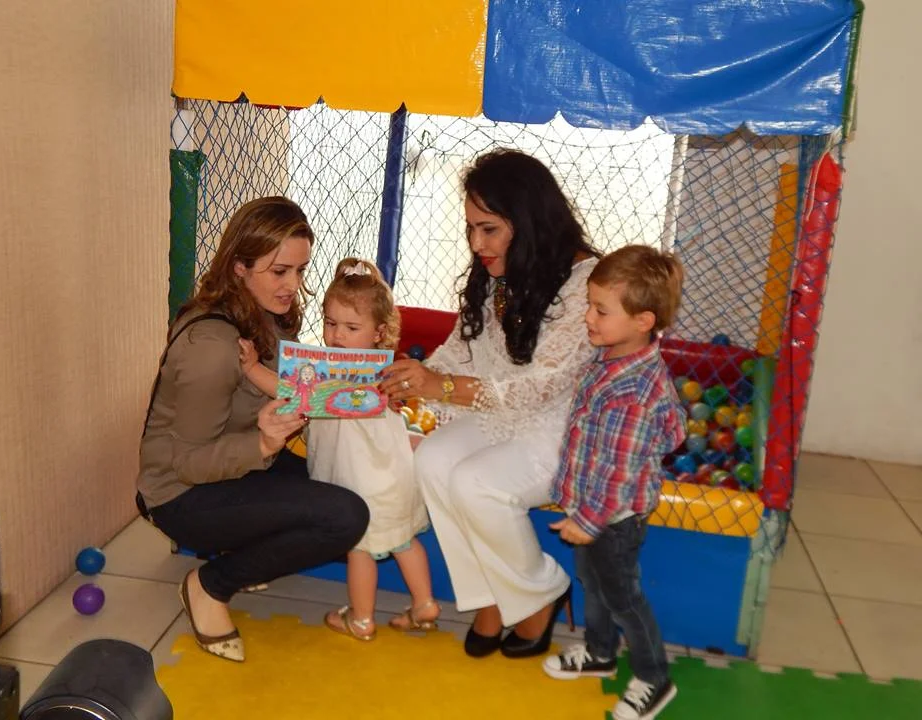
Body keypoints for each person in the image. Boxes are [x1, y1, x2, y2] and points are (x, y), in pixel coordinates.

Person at [380, 148, 599, 659]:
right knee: (433, 460)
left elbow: (540, 388)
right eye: (471, 229)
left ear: (528, 221)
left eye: (489, 229)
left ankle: (541, 592)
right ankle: (490, 599)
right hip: (500, 414)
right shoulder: (500, 271)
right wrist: (411, 378)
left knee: (476, 483)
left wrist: (440, 386)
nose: (476, 244)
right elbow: (461, 350)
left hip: (563, 427)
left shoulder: (587, 282)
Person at [137, 197, 370, 663]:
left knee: (351, 482)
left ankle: (244, 552)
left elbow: (291, 384)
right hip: (180, 494)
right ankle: (210, 585)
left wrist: (364, 386)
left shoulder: (263, 312)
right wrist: (263, 442)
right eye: (280, 271)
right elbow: (187, 464)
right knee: (345, 516)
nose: (293, 286)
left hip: (239, 464)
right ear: (239, 267)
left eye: (300, 270)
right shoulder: (211, 346)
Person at [241, 257, 438, 641]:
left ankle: (361, 619)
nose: (337, 336)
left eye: (351, 327)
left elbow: (287, 391)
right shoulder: (383, 371)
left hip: (360, 486)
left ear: (380, 332)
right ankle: (425, 604)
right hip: (393, 479)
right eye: (330, 323)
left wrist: (251, 369)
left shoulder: (338, 373)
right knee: (403, 540)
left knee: (359, 549)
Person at [543, 245, 686, 720]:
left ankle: (654, 678)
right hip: (592, 506)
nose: (588, 317)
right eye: (590, 305)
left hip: (613, 517)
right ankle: (600, 652)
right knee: (593, 582)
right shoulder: (612, 357)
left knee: (623, 597)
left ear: (643, 321)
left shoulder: (634, 391)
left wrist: (587, 519)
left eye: (601, 310)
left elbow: (620, 473)